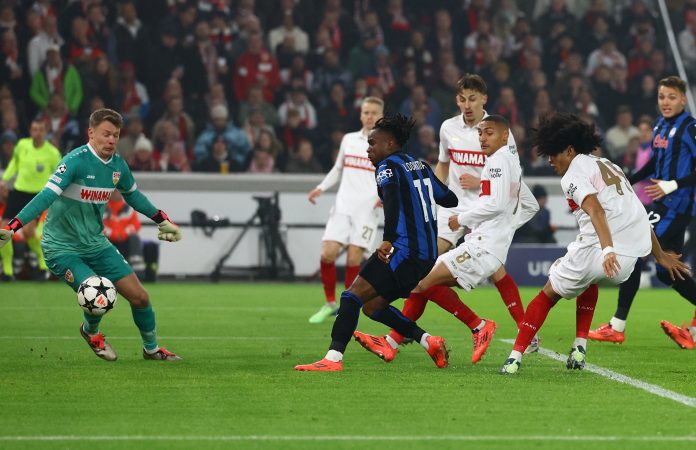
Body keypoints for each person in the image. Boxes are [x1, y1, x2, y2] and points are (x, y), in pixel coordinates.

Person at [356, 74, 540, 360]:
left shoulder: (498, 132)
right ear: (457, 100)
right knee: (424, 273)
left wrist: (480, 184)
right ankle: (396, 338)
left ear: (484, 100)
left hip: (481, 212)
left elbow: (509, 177)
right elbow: (442, 166)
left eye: (473, 99)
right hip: (452, 210)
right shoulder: (448, 128)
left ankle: (521, 332)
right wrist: (429, 198)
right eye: (463, 99)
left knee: (482, 273)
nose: (467, 105)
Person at [500, 112, 689, 374]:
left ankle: (513, 359)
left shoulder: (572, 174)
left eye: (553, 153)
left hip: (603, 250)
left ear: (569, 149)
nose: (550, 160)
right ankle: (579, 348)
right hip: (629, 259)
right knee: (588, 279)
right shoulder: (609, 165)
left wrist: (607, 249)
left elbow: (596, 211)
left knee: (547, 294)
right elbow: (637, 213)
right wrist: (660, 256)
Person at [0, 109, 182, 362]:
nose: (111, 140)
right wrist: (13, 226)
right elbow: (46, 196)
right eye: (106, 134)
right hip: (61, 248)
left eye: (116, 136)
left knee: (140, 297)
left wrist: (164, 220)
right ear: (91, 133)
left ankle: (151, 349)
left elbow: (135, 197)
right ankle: (91, 332)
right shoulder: (74, 161)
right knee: (96, 291)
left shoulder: (118, 166)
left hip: (96, 244)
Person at [294, 114, 458, 372]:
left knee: (350, 297)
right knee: (373, 306)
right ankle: (429, 342)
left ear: (390, 144)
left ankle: (332, 359)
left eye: (372, 144)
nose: (368, 149)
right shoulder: (421, 165)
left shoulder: (387, 167)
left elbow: (391, 201)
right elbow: (450, 199)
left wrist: (388, 240)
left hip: (403, 251)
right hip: (426, 256)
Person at [589, 76, 696, 349]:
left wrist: (675, 184)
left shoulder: (690, 127)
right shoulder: (660, 125)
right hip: (661, 205)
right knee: (666, 271)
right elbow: (655, 164)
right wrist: (630, 178)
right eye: (662, 97)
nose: (666, 102)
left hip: (676, 206)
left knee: (636, 251)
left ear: (683, 99)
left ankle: (617, 326)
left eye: (672, 97)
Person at [305, 97, 384, 324]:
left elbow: (390, 176)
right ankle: (330, 303)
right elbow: (338, 169)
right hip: (342, 207)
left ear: (381, 116)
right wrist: (320, 188)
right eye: (365, 112)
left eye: (373, 113)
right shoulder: (349, 140)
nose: (369, 116)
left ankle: (347, 306)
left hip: (367, 210)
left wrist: (384, 196)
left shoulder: (387, 144)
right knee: (327, 254)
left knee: (353, 259)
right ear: (360, 115)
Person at [0, 120, 61, 281]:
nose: (37, 133)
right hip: (18, 193)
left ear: (46, 131)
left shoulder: (53, 153)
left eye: (40, 130)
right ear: (30, 130)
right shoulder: (22, 145)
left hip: (38, 197)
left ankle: (42, 264)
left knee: (28, 231)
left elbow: (61, 175)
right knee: (4, 231)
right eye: (34, 129)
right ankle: (7, 272)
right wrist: (4, 179)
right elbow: (15, 162)